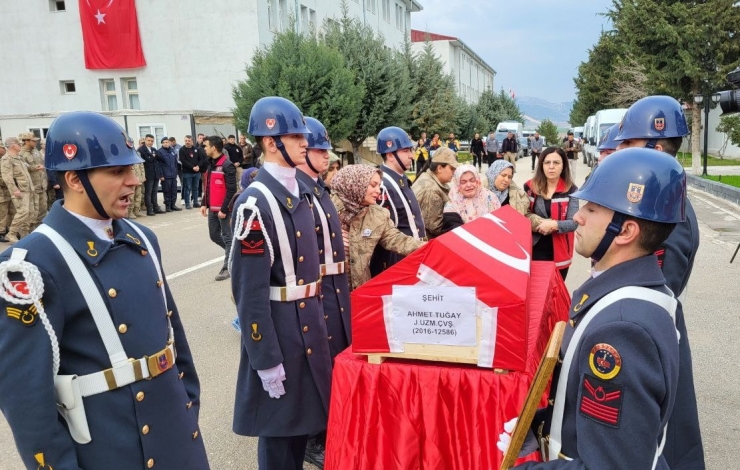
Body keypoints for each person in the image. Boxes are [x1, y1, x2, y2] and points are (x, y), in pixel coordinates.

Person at [0, 111, 209, 470]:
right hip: (113, 448)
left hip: (176, 432)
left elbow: (173, 335)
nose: (133, 182)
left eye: (131, 169)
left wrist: (188, 402)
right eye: (117, 172)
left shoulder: (142, 237)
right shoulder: (31, 265)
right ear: (74, 179)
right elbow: (26, 398)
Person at [509, 148, 685, 469]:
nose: (578, 216)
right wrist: (543, 423)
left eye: (591, 209)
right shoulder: (629, 292)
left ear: (626, 232)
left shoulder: (621, 329)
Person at [229, 96, 332, 470]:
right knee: (279, 442)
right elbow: (250, 293)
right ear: (271, 142)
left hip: (307, 327)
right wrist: (266, 359)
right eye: (295, 136)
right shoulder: (255, 205)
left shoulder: (298, 192)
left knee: (301, 430)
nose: (305, 142)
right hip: (282, 333)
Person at [613, 95, 704, 470]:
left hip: (648, 334)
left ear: (655, 145)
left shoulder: (670, 207)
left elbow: (658, 284)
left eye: (629, 143)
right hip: (646, 330)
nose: (621, 150)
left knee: (662, 442)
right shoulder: (659, 196)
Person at [295, 117, 351, 469]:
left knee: (332, 364)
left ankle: (329, 429)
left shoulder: (316, 188)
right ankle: (314, 438)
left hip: (333, 290)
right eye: (320, 149)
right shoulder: (298, 192)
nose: (327, 155)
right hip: (315, 294)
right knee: (315, 370)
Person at [331, 164, 425, 290]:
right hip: (330, 292)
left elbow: (398, 240)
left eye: (379, 186)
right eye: (373, 185)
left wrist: (431, 247)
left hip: (359, 291)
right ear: (355, 184)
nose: (378, 191)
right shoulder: (326, 210)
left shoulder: (379, 216)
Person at [370, 126, 426, 276]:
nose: (412, 156)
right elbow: (385, 235)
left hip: (412, 258)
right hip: (397, 262)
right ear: (390, 155)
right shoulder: (383, 185)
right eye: (406, 151)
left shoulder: (400, 180)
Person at [523, 147, 577, 280]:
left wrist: (553, 225)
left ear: (563, 165)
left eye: (556, 163)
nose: (551, 167)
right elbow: (523, 213)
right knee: (536, 293)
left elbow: (574, 222)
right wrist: (539, 223)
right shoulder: (530, 187)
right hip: (534, 248)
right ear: (541, 165)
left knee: (556, 294)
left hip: (560, 251)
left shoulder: (572, 190)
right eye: (547, 163)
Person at [201, 135, 237, 281]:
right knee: (214, 235)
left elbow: (231, 190)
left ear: (213, 148)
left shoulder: (227, 165)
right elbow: (208, 186)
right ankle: (234, 253)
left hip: (223, 210)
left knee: (228, 238)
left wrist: (224, 209)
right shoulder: (210, 163)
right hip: (212, 209)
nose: (204, 148)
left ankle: (227, 267)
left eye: (206, 146)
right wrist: (204, 203)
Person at [411, 148, 458, 238]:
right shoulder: (432, 191)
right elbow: (436, 228)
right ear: (439, 168)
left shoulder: (428, 178)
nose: (454, 172)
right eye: (452, 168)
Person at [442, 163, 501, 233]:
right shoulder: (451, 206)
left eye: (472, 180)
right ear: (457, 185)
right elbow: (456, 233)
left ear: (477, 181)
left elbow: (500, 223)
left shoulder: (490, 198)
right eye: (463, 182)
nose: (469, 185)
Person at [0, 137, 34, 243]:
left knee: (30, 213)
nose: (20, 145)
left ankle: (25, 236)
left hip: (27, 189)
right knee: (23, 213)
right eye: (18, 144)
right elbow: (7, 177)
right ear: (13, 145)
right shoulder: (7, 159)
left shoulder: (18, 158)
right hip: (19, 191)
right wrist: (14, 190)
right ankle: (11, 233)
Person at [19, 132, 47, 230]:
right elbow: (23, 169)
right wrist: (35, 168)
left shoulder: (36, 151)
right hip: (31, 188)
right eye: (33, 141)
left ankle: (41, 231)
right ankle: (31, 232)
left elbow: (41, 163)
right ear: (26, 141)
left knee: (43, 211)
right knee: (33, 214)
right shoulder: (21, 154)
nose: (36, 142)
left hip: (41, 186)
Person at [138, 134, 164, 216]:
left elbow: (160, 157)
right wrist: (153, 157)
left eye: (152, 141)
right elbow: (146, 160)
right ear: (145, 140)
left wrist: (154, 156)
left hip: (155, 173)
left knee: (154, 192)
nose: (150, 142)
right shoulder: (141, 150)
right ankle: (149, 209)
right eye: (148, 140)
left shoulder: (153, 149)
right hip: (148, 174)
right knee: (148, 192)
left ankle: (155, 207)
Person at [180, 135, 205, 209]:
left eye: (189, 141)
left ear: (192, 141)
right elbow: (183, 161)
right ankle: (187, 203)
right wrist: (192, 167)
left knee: (196, 187)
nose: (187, 142)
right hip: (187, 172)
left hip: (197, 172)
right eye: (186, 141)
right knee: (187, 188)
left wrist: (198, 166)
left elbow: (201, 159)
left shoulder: (196, 149)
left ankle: (195, 202)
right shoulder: (182, 150)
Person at [156, 137, 181, 211]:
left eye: (167, 142)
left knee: (174, 190)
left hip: (173, 174)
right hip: (165, 175)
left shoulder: (172, 150)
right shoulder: (160, 152)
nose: (166, 143)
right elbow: (159, 164)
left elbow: (175, 163)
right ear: (162, 143)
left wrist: (176, 171)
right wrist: (161, 175)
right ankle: (168, 206)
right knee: (167, 191)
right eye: (164, 142)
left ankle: (173, 205)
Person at [0, 141, 13, 242]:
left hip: (7, 191)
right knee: (2, 213)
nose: (4, 150)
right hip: (1, 192)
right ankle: (1, 233)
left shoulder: (4, 160)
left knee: (9, 212)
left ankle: (7, 229)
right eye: (2, 148)